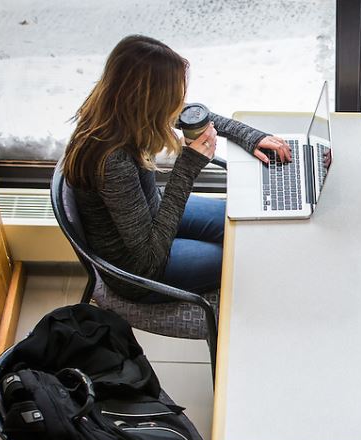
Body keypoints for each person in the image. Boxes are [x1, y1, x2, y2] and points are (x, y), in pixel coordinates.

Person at [63, 35, 291, 302]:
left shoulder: (114, 106)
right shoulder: (113, 162)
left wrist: (250, 136)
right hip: (139, 271)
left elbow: (188, 114)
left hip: (153, 214)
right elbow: (149, 257)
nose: (178, 102)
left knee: (244, 229)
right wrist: (188, 167)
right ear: (148, 99)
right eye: (172, 96)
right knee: (241, 257)